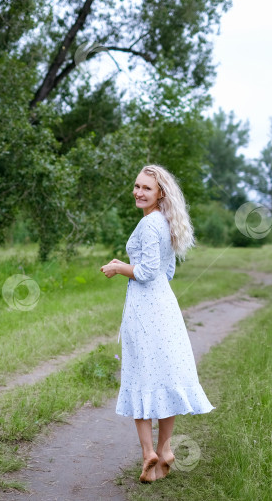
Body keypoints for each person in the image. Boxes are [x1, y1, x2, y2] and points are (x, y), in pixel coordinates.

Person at [100, 164, 214, 483]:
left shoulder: (150, 224)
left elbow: (148, 272)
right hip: (164, 305)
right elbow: (167, 272)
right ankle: (164, 451)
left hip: (145, 308)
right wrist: (132, 268)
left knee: (140, 374)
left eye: (146, 188)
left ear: (160, 193)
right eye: (136, 186)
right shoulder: (165, 222)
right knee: (162, 375)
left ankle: (148, 453)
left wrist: (119, 267)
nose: (138, 192)